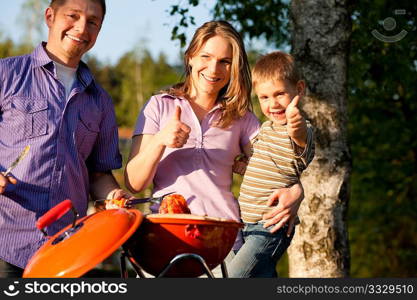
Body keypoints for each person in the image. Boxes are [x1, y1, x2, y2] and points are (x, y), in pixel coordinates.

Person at [124, 21, 304, 277]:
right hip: (166, 242)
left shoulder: (241, 117)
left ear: (234, 68)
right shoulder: (159, 106)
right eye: (205, 57)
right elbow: (134, 182)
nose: (213, 68)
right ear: (190, 58)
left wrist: (297, 190)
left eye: (225, 61)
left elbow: (277, 165)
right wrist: (161, 139)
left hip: (224, 246)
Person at [0, 0, 130, 277]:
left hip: (66, 251)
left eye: (93, 22)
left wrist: (113, 196)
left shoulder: (100, 101)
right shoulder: (6, 74)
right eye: (73, 16)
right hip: (4, 244)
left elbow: (98, 174)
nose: (82, 28)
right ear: (50, 16)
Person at [227, 51, 315, 278]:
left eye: (280, 94)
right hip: (246, 224)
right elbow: (269, 165)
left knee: (233, 277)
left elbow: (299, 138)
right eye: (264, 97)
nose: (273, 104)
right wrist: (246, 167)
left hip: (270, 228)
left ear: (300, 89)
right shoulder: (266, 129)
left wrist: (296, 123)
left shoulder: (299, 129)